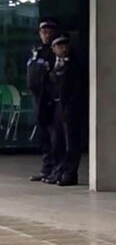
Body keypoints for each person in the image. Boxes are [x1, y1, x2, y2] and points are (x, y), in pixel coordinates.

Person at [44, 35, 82, 187]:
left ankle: (70, 173)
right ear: (53, 49)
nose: (63, 48)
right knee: (57, 141)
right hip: (56, 106)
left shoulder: (73, 64)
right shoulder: (54, 65)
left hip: (70, 107)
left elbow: (77, 87)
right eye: (59, 46)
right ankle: (58, 170)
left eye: (65, 45)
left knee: (71, 141)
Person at [26, 18, 59, 181]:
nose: (46, 35)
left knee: (54, 134)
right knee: (43, 134)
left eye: (49, 32)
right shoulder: (36, 50)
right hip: (36, 97)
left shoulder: (56, 51)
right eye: (43, 32)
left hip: (49, 98)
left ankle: (56, 169)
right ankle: (47, 168)